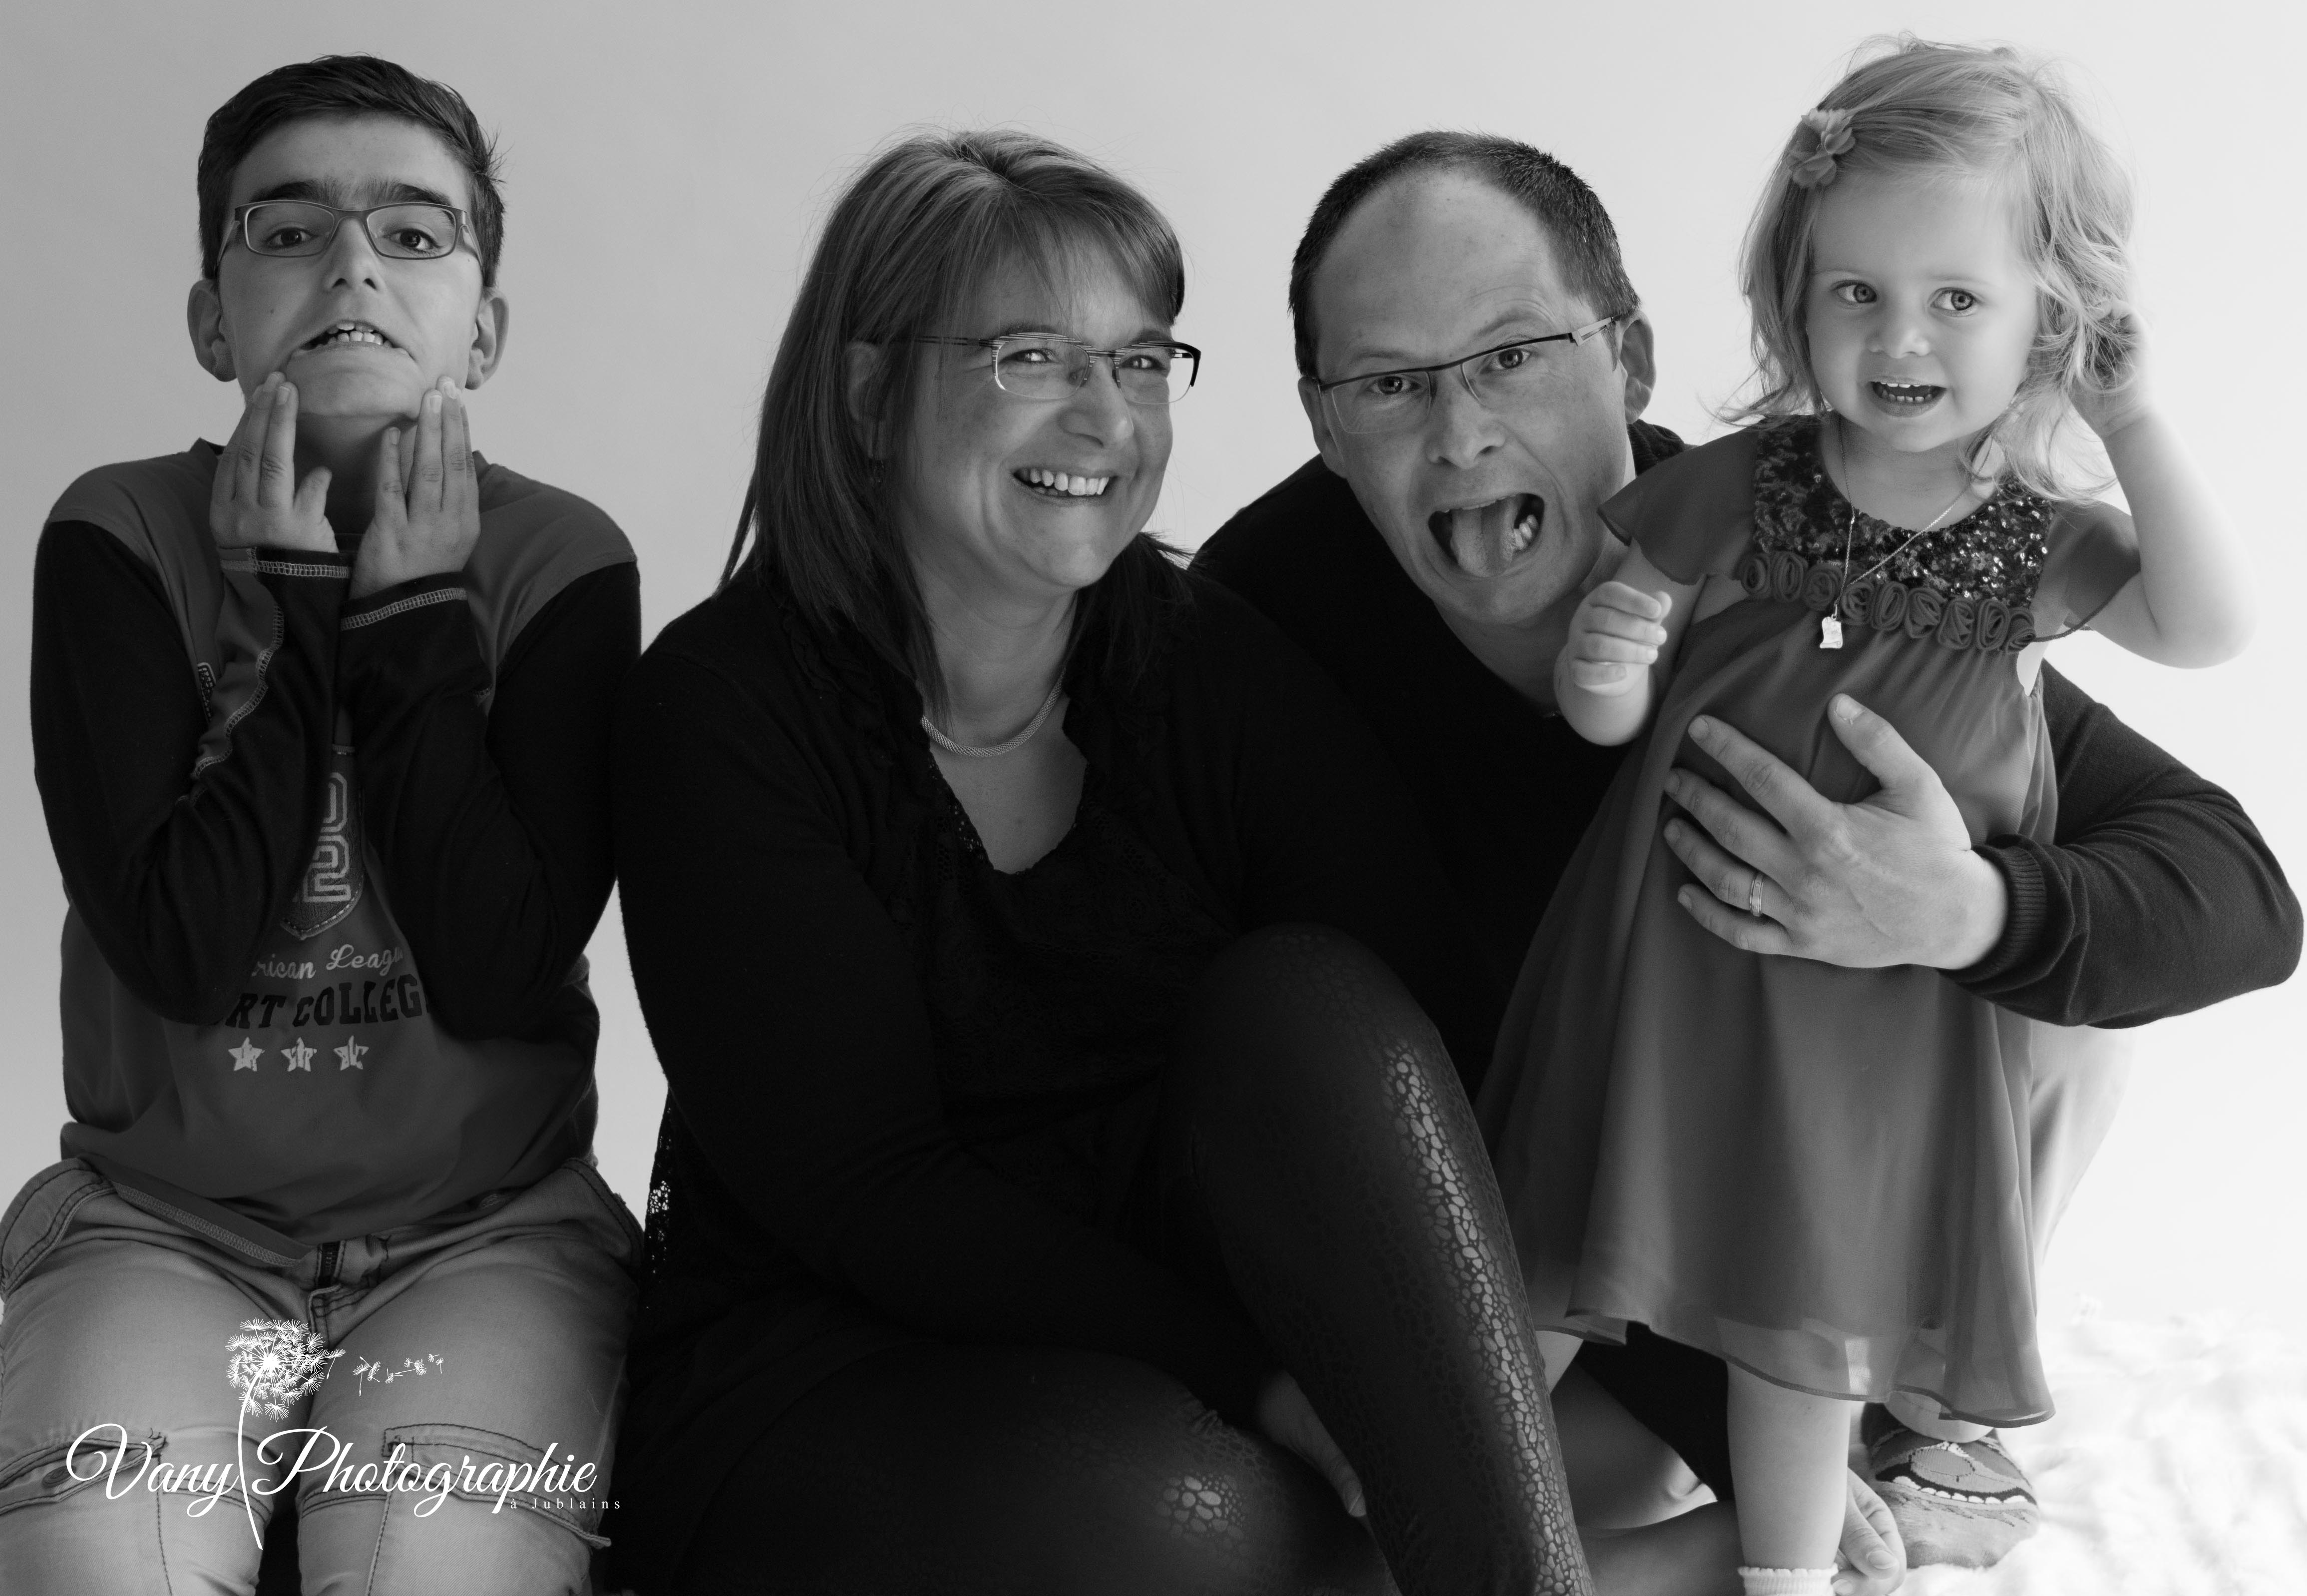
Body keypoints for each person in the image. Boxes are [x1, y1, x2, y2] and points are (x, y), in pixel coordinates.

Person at [1195, 122, 2298, 1591]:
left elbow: (2235, 897)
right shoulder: (1263, 620)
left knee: (2052, 950)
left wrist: (1957, 905)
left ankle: (1896, 1412)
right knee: (1314, 1509)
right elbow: (1207, 1044)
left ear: (1630, 360)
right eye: (1390, 383)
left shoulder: (1818, 564)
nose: (1458, 430)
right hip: (1501, 1217)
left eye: (1513, 353)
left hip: (1787, 1197)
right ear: (1324, 422)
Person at [606, 129, 1604, 1596]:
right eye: (1032, 356)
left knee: (1308, 996)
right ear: (873, 392)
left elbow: (1403, 1051)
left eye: (1141, 363)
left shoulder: (1207, 662)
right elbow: (873, 1192)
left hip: (1183, 1300)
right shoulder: (722, 709)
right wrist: (1263, 1385)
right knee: (1182, 1520)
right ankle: (1633, 1566)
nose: (1103, 418)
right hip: (840, 1349)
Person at [1493, 42, 2253, 1596]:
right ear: (1793, 297)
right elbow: (1609, 687)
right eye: (1854, 294)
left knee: (1811, 1317)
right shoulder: (1743, 487)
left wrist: (2137, 422)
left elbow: (2206, 626)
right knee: (1556, 1247)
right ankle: (1427, 1474)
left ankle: (1778, 1575)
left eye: (1955, 298)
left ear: (2055, 312)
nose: (1898, 336)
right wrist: (1603, 665)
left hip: (1872, 1022)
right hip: (1670, 968)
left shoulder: (2036, 544)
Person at [0, 56, 641, 1595]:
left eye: (414, 235)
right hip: (167, 1226)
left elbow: (498, 966)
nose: (353, 261)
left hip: (485, 1235)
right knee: (101, 1568)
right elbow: (181, 946)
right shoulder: (122, 534)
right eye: (288, 232)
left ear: (481, 327)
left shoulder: (560, 559)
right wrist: (292, 606)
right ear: (215, 317)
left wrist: (415, 612)